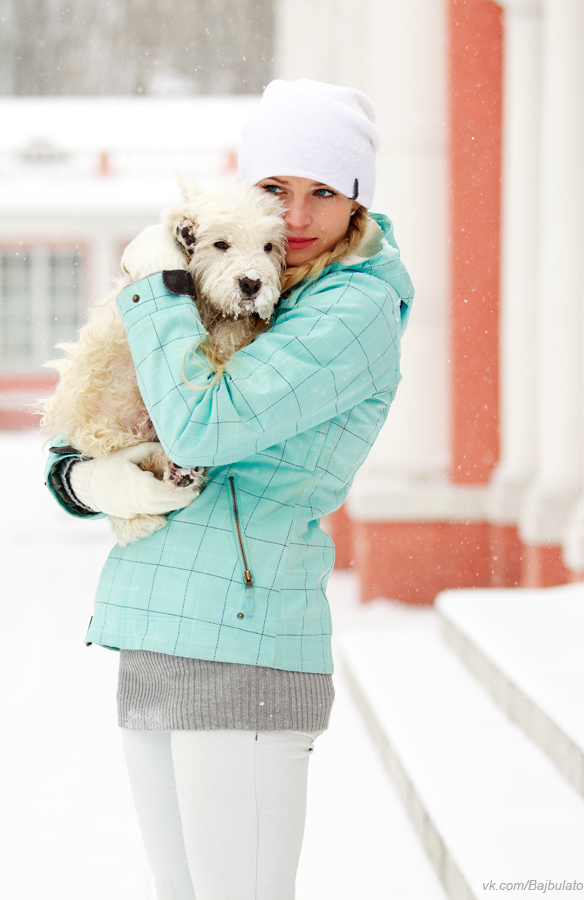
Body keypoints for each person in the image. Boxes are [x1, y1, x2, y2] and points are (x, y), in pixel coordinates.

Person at [44, 78, 414, 900]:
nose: (296, 215)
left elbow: (200, 429)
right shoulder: (270, 283)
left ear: (358, 199)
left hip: (244, 637)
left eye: (324, 191)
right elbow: (120, 396)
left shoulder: (352, 307)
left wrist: (159, 289)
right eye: (275, 188)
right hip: (159, 620)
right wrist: (80, 476)